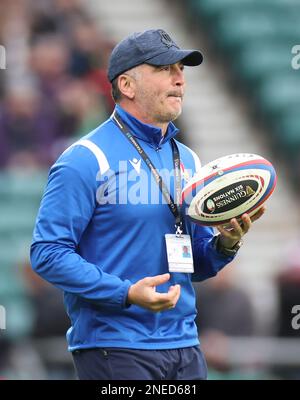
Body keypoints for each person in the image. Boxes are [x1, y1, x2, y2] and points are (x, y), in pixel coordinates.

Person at [30, 28, 265, 380]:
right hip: (114, 347)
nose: (179, 80)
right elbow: (47, 253)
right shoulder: (85, 158)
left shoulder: (186, 160)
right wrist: (125, 293)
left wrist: (225, 244)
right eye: (165, 69)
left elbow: (196, 263)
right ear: (127, 85)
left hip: (185, 346)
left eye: (182, 70)